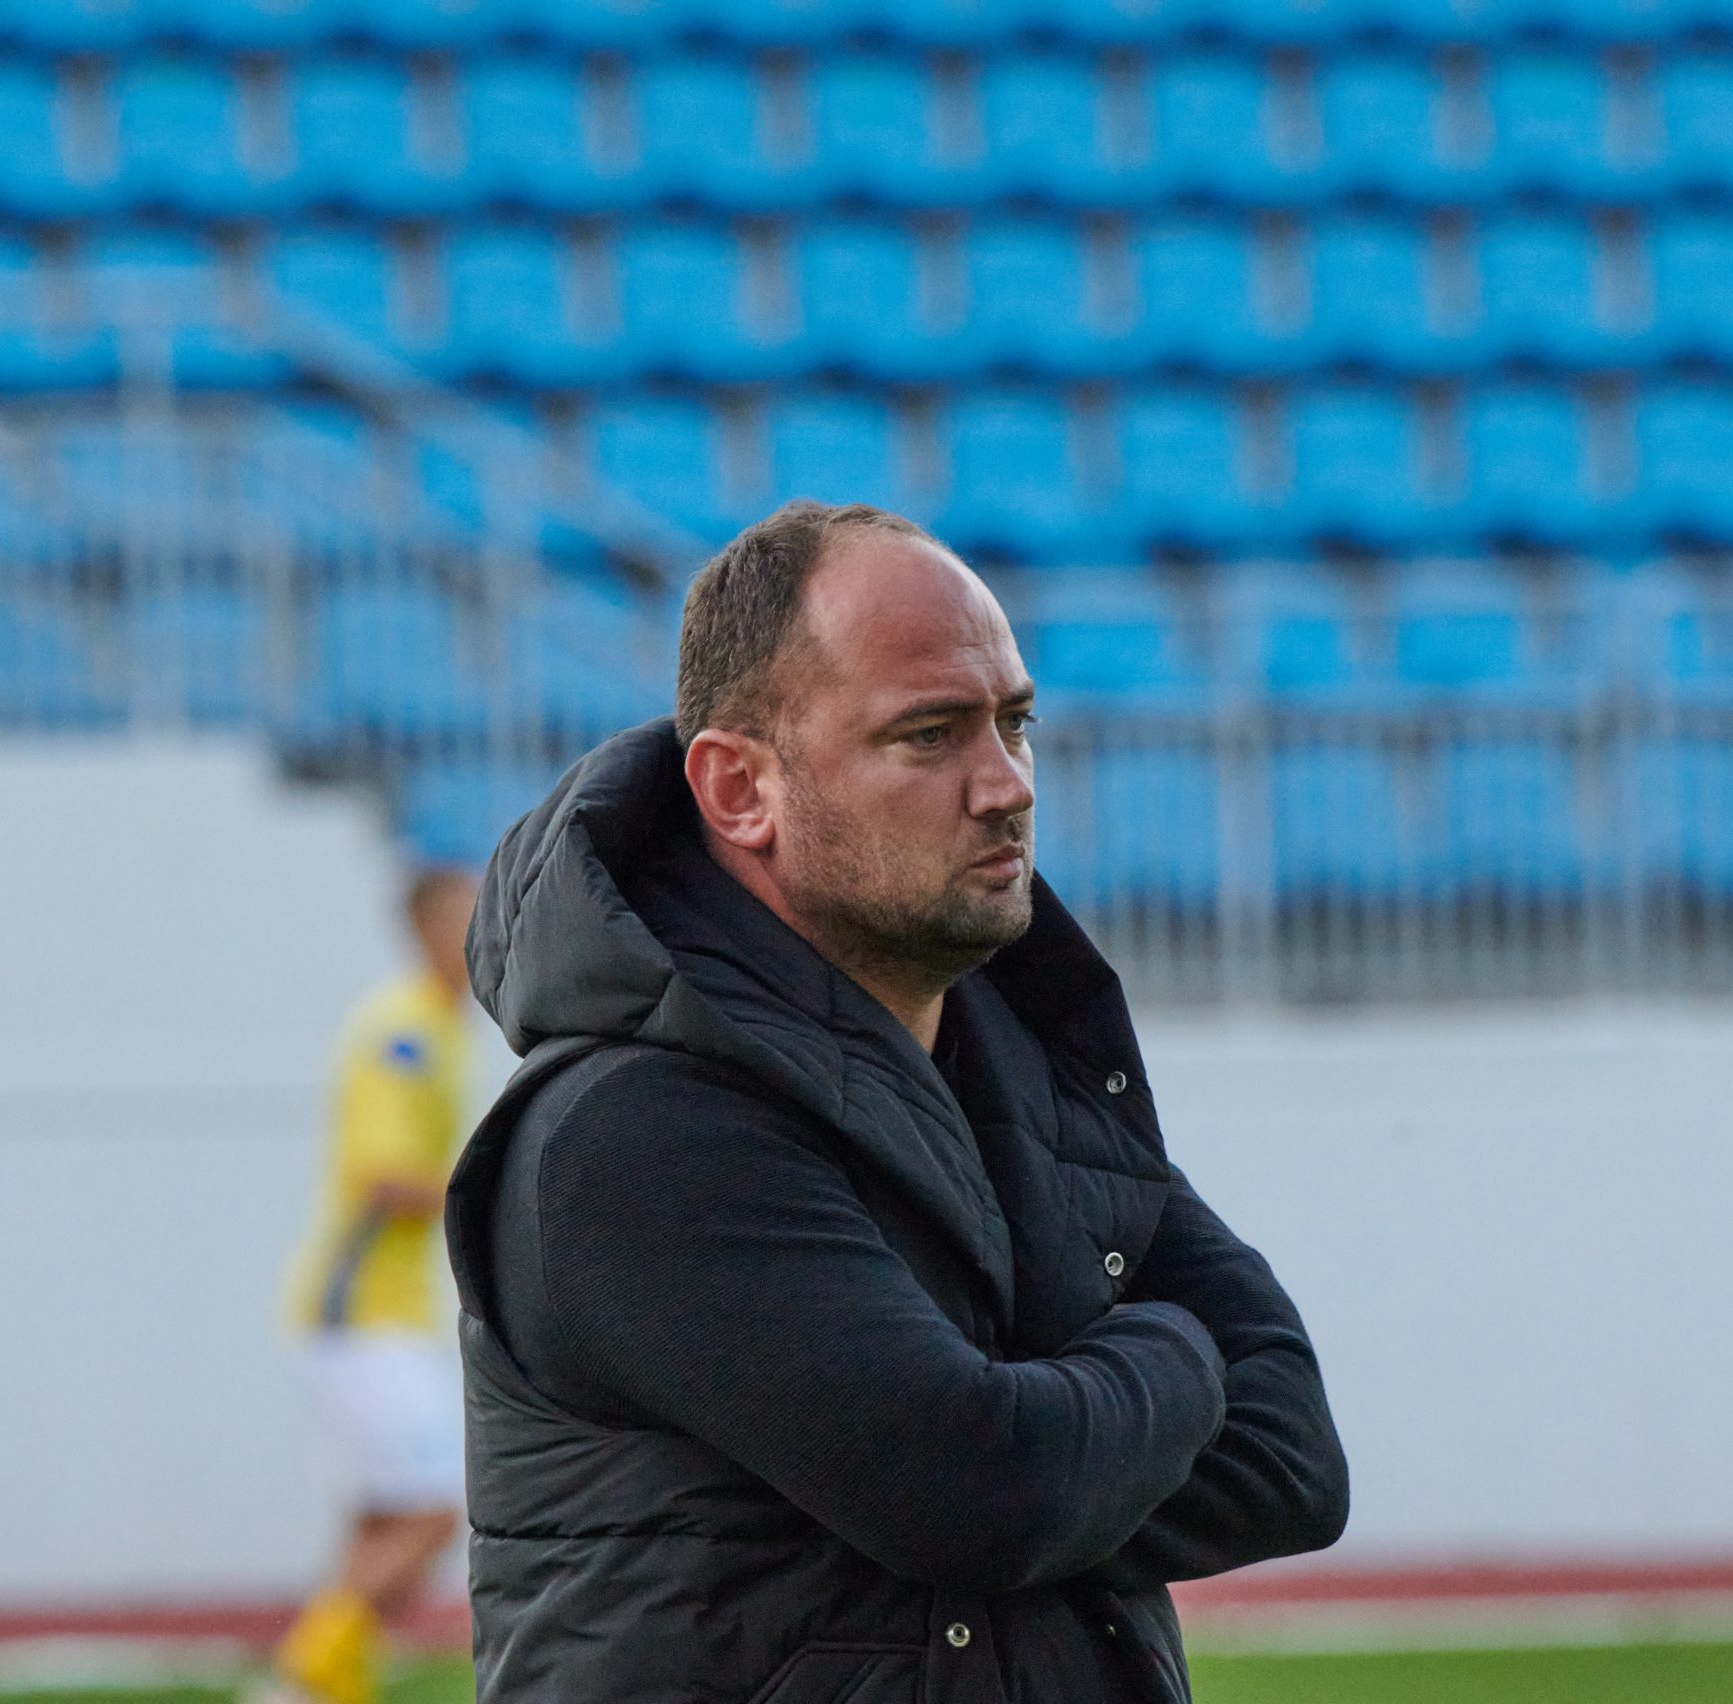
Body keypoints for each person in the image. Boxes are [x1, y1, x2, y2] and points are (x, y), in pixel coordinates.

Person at [444, 501, 1349, 1703]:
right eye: (929, 735)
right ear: (739, 788)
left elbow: (1293, 1460)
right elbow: (989, 1491)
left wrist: (1053, 1454)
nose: (1004, 786)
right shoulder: (630, 1132)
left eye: (1015, 724)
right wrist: (1175, 1353)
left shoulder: (1022, 1071)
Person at [264, 868, 480, 1704]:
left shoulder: (437, 1027)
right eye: (467, 919)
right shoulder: (406, 1034)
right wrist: (488, 1187)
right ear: (426, 930)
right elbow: (388, 1179)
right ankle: (306, 1669)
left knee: (383, 1520)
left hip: (378, 1309)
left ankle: (314, 1690)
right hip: (359, 1309)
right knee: (433, 1511)